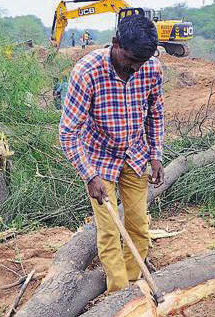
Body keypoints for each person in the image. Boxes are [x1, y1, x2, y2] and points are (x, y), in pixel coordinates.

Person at [59, 14, 164, 293]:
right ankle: (118, 295)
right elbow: (68, 132)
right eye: (131, 60)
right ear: (116, 43)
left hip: (136, 155)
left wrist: (156, 155)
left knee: (139, 226)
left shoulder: (151, 68)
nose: (135, 68)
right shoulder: (87, 71)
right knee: (109, 231)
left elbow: (155, 114)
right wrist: (89, 175)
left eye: (141, 62)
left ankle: (133, 284)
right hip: (99, 161)